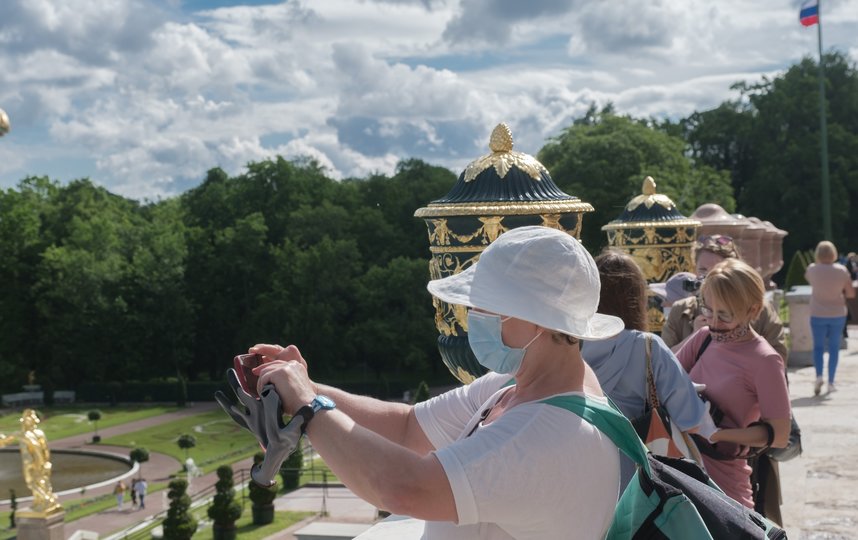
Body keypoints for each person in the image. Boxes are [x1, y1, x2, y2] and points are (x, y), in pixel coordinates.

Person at [252, 226, 626, 539]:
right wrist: (306, 385)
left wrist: (309, 409)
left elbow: (403, 489)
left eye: (486, 306)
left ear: (540, 321)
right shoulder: (520, 386)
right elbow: (407, 427)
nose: (472, 316)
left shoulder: (548, 434)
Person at [582, 251, 708, 488]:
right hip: (638, 476)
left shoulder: (569, 343)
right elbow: (691, 419)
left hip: (580, 466)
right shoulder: (647, 346)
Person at [675, 258, 792, 509]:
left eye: (725, 315)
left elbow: (780, 435)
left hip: (725, 485)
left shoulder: (766, 360)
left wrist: (717, 434)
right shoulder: (704, 338)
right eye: (709, 311)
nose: (714, 323)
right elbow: (662, 381)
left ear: (752, 309)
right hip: (681, 474)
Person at [661, 234, 788, 361]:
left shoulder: (759, 309)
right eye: (703, 270)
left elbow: (777, 360)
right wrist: (695, 336)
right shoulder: (681, 310)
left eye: (716, 270)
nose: (708, 277)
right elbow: (663, 363)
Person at [805, 240, 855, 395]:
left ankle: (819, 375)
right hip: (837, 313)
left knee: (818, 347)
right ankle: (831, 382)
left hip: (817, 312)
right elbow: (851, 293)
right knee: (834, 348)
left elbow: (809, 281)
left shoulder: (812, 269)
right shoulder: (841, 271)